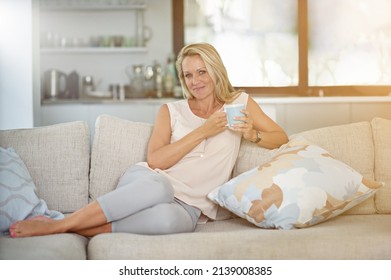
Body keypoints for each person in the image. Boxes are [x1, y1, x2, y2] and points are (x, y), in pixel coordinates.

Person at [9, 43, 288, 238]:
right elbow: (156, 160)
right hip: (150, 181)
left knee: (170, 222)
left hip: (190, 206)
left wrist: (252, 134)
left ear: (216, 71)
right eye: (188, 75)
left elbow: (280, 137)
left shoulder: (240, 103)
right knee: (160, 188)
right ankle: (59, 225)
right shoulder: (170, 111)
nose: (195, 81)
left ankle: (76, 229)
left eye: (202, 72)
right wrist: (204, 131)